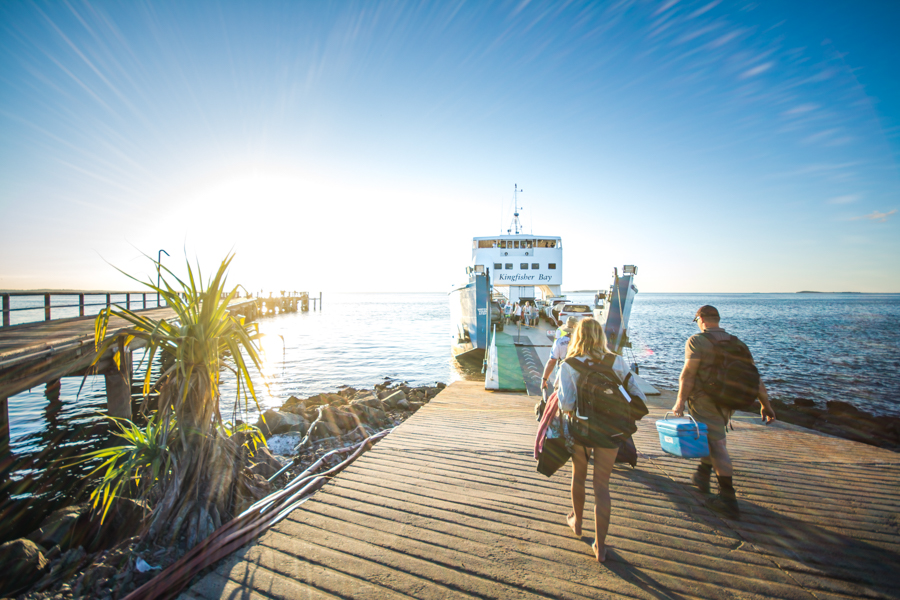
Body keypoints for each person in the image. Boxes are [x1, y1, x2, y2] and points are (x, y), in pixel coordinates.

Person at [553, 318, 647, 562]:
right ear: (601, 336)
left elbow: (566, 404)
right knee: (601, 486)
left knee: (579, 476)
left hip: (582, 429)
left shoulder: (569, 364)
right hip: (611, 430)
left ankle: (577, 521)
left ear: (577, 336)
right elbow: (637, 394)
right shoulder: (616, 361)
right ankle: (601, 545)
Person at [672, 305, 776, 519]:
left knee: (718, 446)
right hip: (728, 400)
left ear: (700, 319)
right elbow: (753, 376)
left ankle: (728, 499)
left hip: (705, 401)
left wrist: (680, 401)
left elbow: (688, 374)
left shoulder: (697, 341)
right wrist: (765, 403)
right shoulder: (737, 343)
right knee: (714, 438)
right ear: (717, 319)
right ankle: (702, 475)